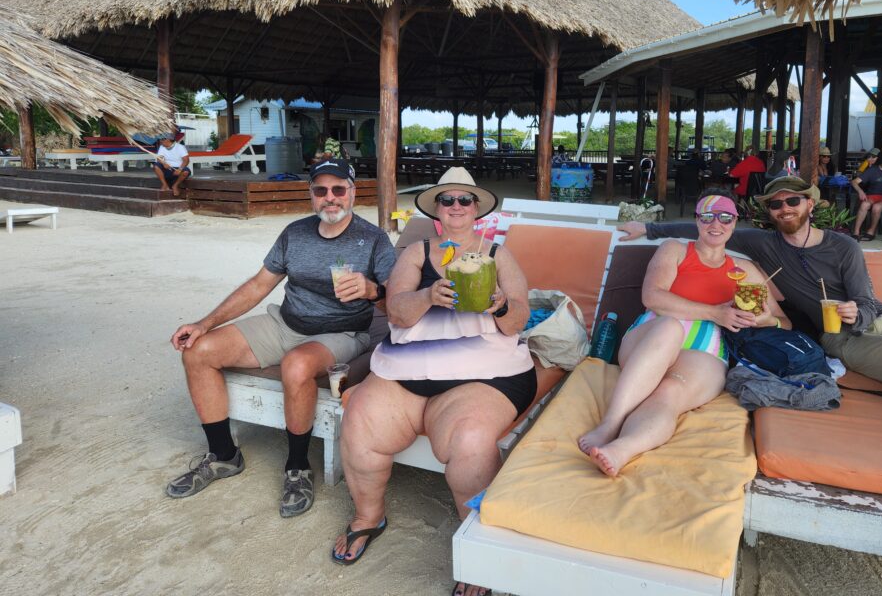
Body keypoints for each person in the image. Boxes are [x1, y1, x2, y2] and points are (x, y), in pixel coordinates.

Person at [617, 176, 882, 471]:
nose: (784, 209)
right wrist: (649, 227)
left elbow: (865, 297)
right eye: (775, 205)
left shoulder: (843, 245)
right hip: (840, 337)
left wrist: (856, 311)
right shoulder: (763, 243)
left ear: (810, 204)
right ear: (770, 213)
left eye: (792, 201)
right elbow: (707, 225)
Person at [334, 167, 532, 596]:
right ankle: (369, 517)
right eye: (448, 200)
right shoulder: (419, 251)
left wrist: (498, 305)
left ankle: (478, 549)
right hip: (406, 367)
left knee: (469, 443)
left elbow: (520, 318)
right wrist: (428, 295)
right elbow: (397, 310)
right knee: (361, 422)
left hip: (485, 372)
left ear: (477, 209)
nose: (456, 206)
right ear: (436, 209)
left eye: (465, 200)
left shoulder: (498, 254)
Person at [166, 158, 395, 516]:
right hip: (285, 323)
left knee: (297, 365)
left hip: (343, 331)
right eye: (321, 190)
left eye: (338, 189)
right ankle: (224, 456)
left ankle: (298, 467)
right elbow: (260, 285)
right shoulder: (294, 233)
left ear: (352, 192)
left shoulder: (373, 239)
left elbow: (398, 299)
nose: (330, 198)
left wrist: (371, 290)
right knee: (198, 351)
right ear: (311, 195)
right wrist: (204, 323)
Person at [579, 193, 789, 478]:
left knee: (670, 392)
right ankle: (610, 424)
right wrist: (716, 312)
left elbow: (785, 323)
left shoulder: (746, 271)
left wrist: (766, 320)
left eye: (725, 217)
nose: (717, 223)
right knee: (670, 327)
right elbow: (652, 297)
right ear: (697, 221)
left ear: (735, 222)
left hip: (706, 349)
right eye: (708, 216)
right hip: (652, 335)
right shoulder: (675, 249)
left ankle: (622, 450)